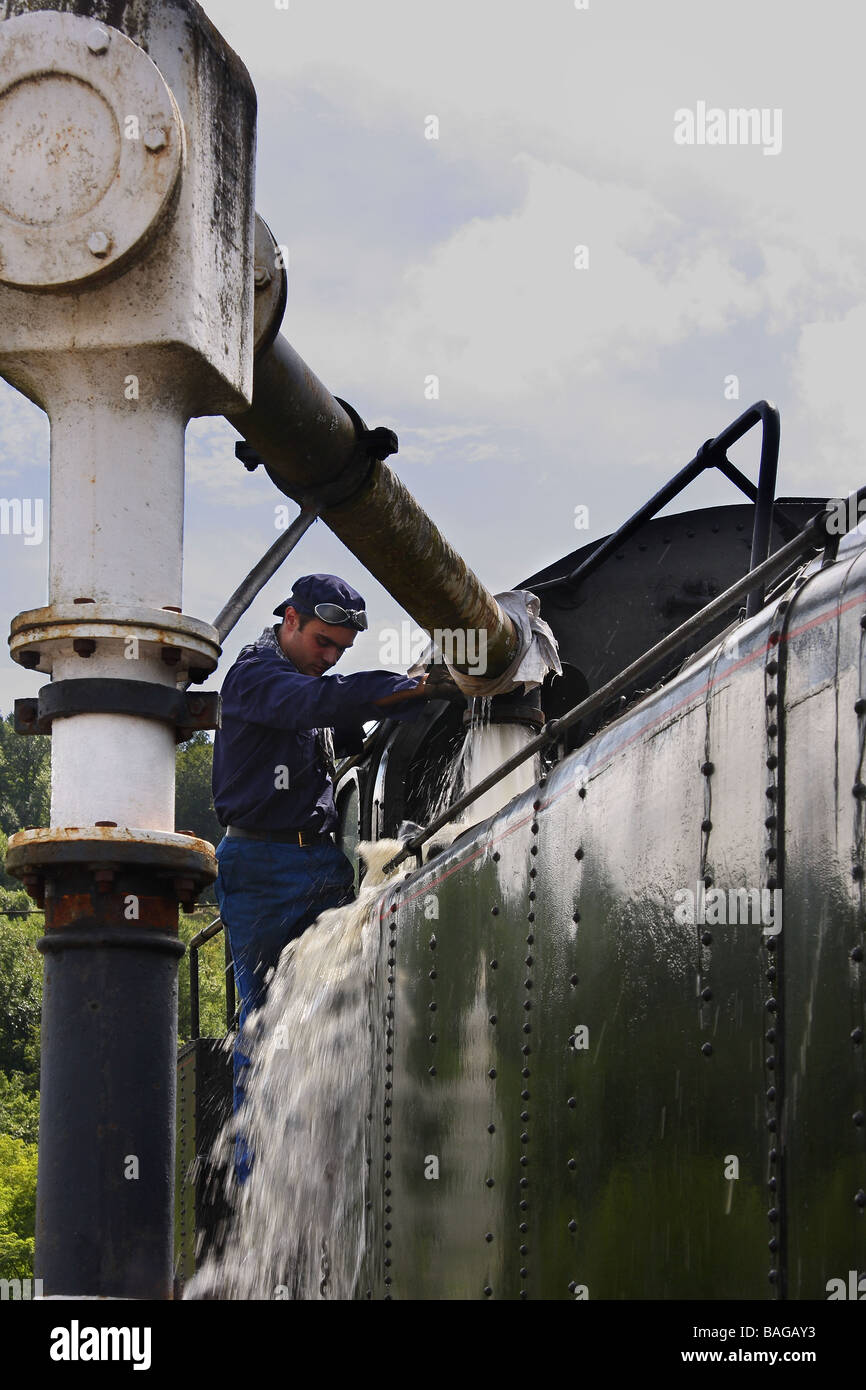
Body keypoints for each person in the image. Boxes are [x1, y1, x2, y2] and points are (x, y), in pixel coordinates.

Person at [211, 573, 433, 1183]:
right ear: (289, 620)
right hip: (261, 865)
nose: (329, 657)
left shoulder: (303, 675)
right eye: (321, 642)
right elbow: (320, 702)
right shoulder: (255, 675)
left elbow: (336, 721)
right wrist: (409, 687)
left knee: (339, 1004)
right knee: (262, 1018)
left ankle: (330, 1157)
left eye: (340, 649)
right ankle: (259, 1176)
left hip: (321, 860)